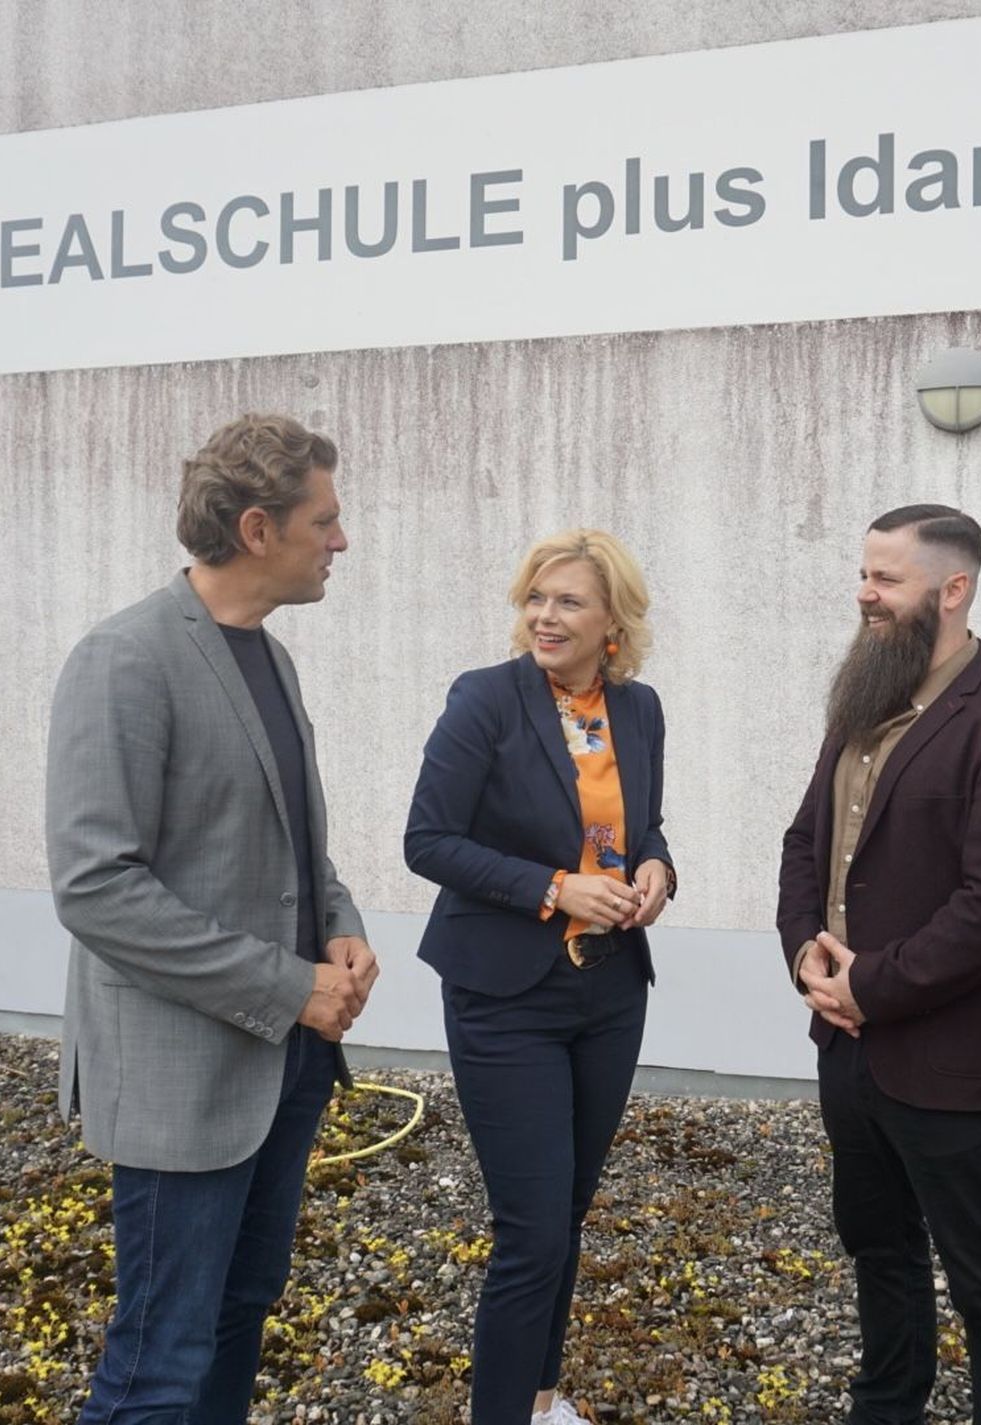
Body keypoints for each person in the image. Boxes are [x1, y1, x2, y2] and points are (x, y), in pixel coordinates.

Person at [46, 413, 379, 1423]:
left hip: (283, 1065)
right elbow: (96, 885)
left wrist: (340, 921)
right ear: (255, 528)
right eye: (324, 520)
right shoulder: (125, 661)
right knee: (159, 1358)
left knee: (238, 1315)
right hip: (182, 1077)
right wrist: (291, 986)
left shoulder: (269, 661)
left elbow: (287, 837)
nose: (341, 540)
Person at [777, 503, 981, 1425]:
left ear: (954, 589)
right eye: (864, 574)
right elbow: (805, 846)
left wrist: (865, 982)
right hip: (849, 1049)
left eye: (886, 579)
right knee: (880, 1255)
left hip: (964, 1064)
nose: (865, 595)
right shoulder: (864, 703)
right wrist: (807, 958)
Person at [404, 529, 674, 1425]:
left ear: (612, 624)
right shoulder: (485, 700)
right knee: (530, 1231)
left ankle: (541, 1400)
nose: (545, 617)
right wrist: (556, 888)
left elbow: (644, 829)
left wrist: (656, 871)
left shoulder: (638, 710)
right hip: (506, 996)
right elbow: (429, 841)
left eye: (568, 602)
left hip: (608, 993)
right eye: (536, 599)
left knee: (567, 1212)